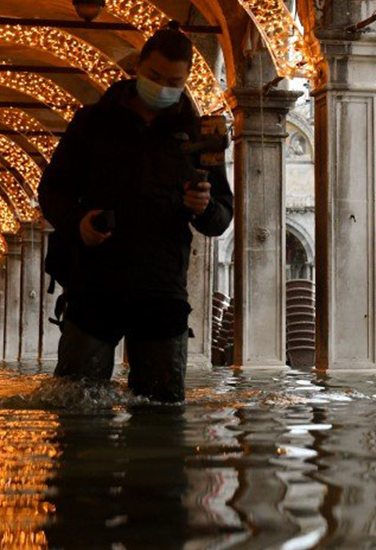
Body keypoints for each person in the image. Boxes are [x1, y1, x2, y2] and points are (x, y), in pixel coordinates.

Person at [38, 23, 233, 402]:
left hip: (161, 289)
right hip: (93, 284)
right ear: (138, 68)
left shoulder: (200, 134)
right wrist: (77, 223)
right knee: (77, 403)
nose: (162, 87)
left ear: (186, 79)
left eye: (173, 81)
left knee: (161, 407)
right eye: (154, 76)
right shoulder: (92, 123)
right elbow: (51, 191)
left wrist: (204, 207)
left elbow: (221, 217)